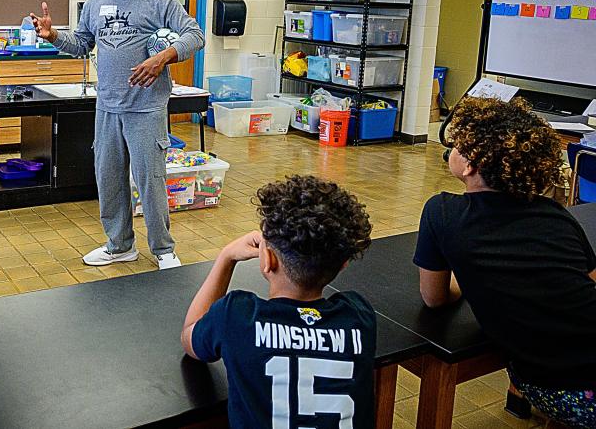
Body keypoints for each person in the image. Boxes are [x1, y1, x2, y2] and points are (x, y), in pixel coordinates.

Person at [415, 97, 596, 428]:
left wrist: (469, 280)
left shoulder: (441, 213)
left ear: (469, 166)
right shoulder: (555, 215)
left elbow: (434, 297)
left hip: (556, 388)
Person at [31, 0, 205, 270]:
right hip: (107, 106)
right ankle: (120, 245)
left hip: (145, 107)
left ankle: (164, 251)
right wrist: (53, 36)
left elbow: (195, 35)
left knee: (149, 182)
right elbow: (82, 43)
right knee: (108, 179)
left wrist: (162, 58)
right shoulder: (96, 2)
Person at [181, 175, 376, 428]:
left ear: (268, 260)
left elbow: (190, 337)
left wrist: (226, 256)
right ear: (343, 263)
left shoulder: (235, 316)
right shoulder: (360, 318)